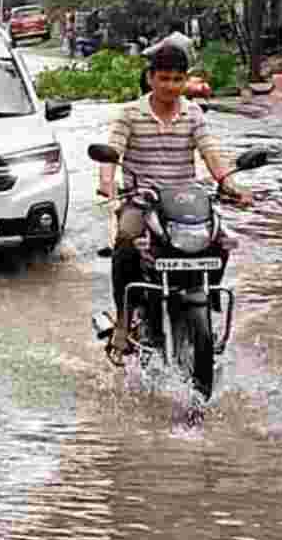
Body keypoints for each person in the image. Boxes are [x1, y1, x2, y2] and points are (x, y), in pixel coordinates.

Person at [99, 44, 251, 354]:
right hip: (141, 200)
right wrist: (107, 184)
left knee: (221, 239)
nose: (171, 86)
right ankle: (123, 320)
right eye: (164, 78)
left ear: (185, 81)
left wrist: (229, 183)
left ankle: (207, 299)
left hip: (185, 201)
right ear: (150, 78)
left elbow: (210, 151)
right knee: (126, 240)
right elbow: (111, 151)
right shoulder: (130, 113)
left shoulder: (193, 113)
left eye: (178, 79)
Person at [138, 20, 198, 95]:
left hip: (170, 68)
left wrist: (143, 53)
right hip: (185, 70)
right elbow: (194, 58)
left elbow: (154, 49)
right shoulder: (188, 41)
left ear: (171, 29)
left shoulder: (169, 39)